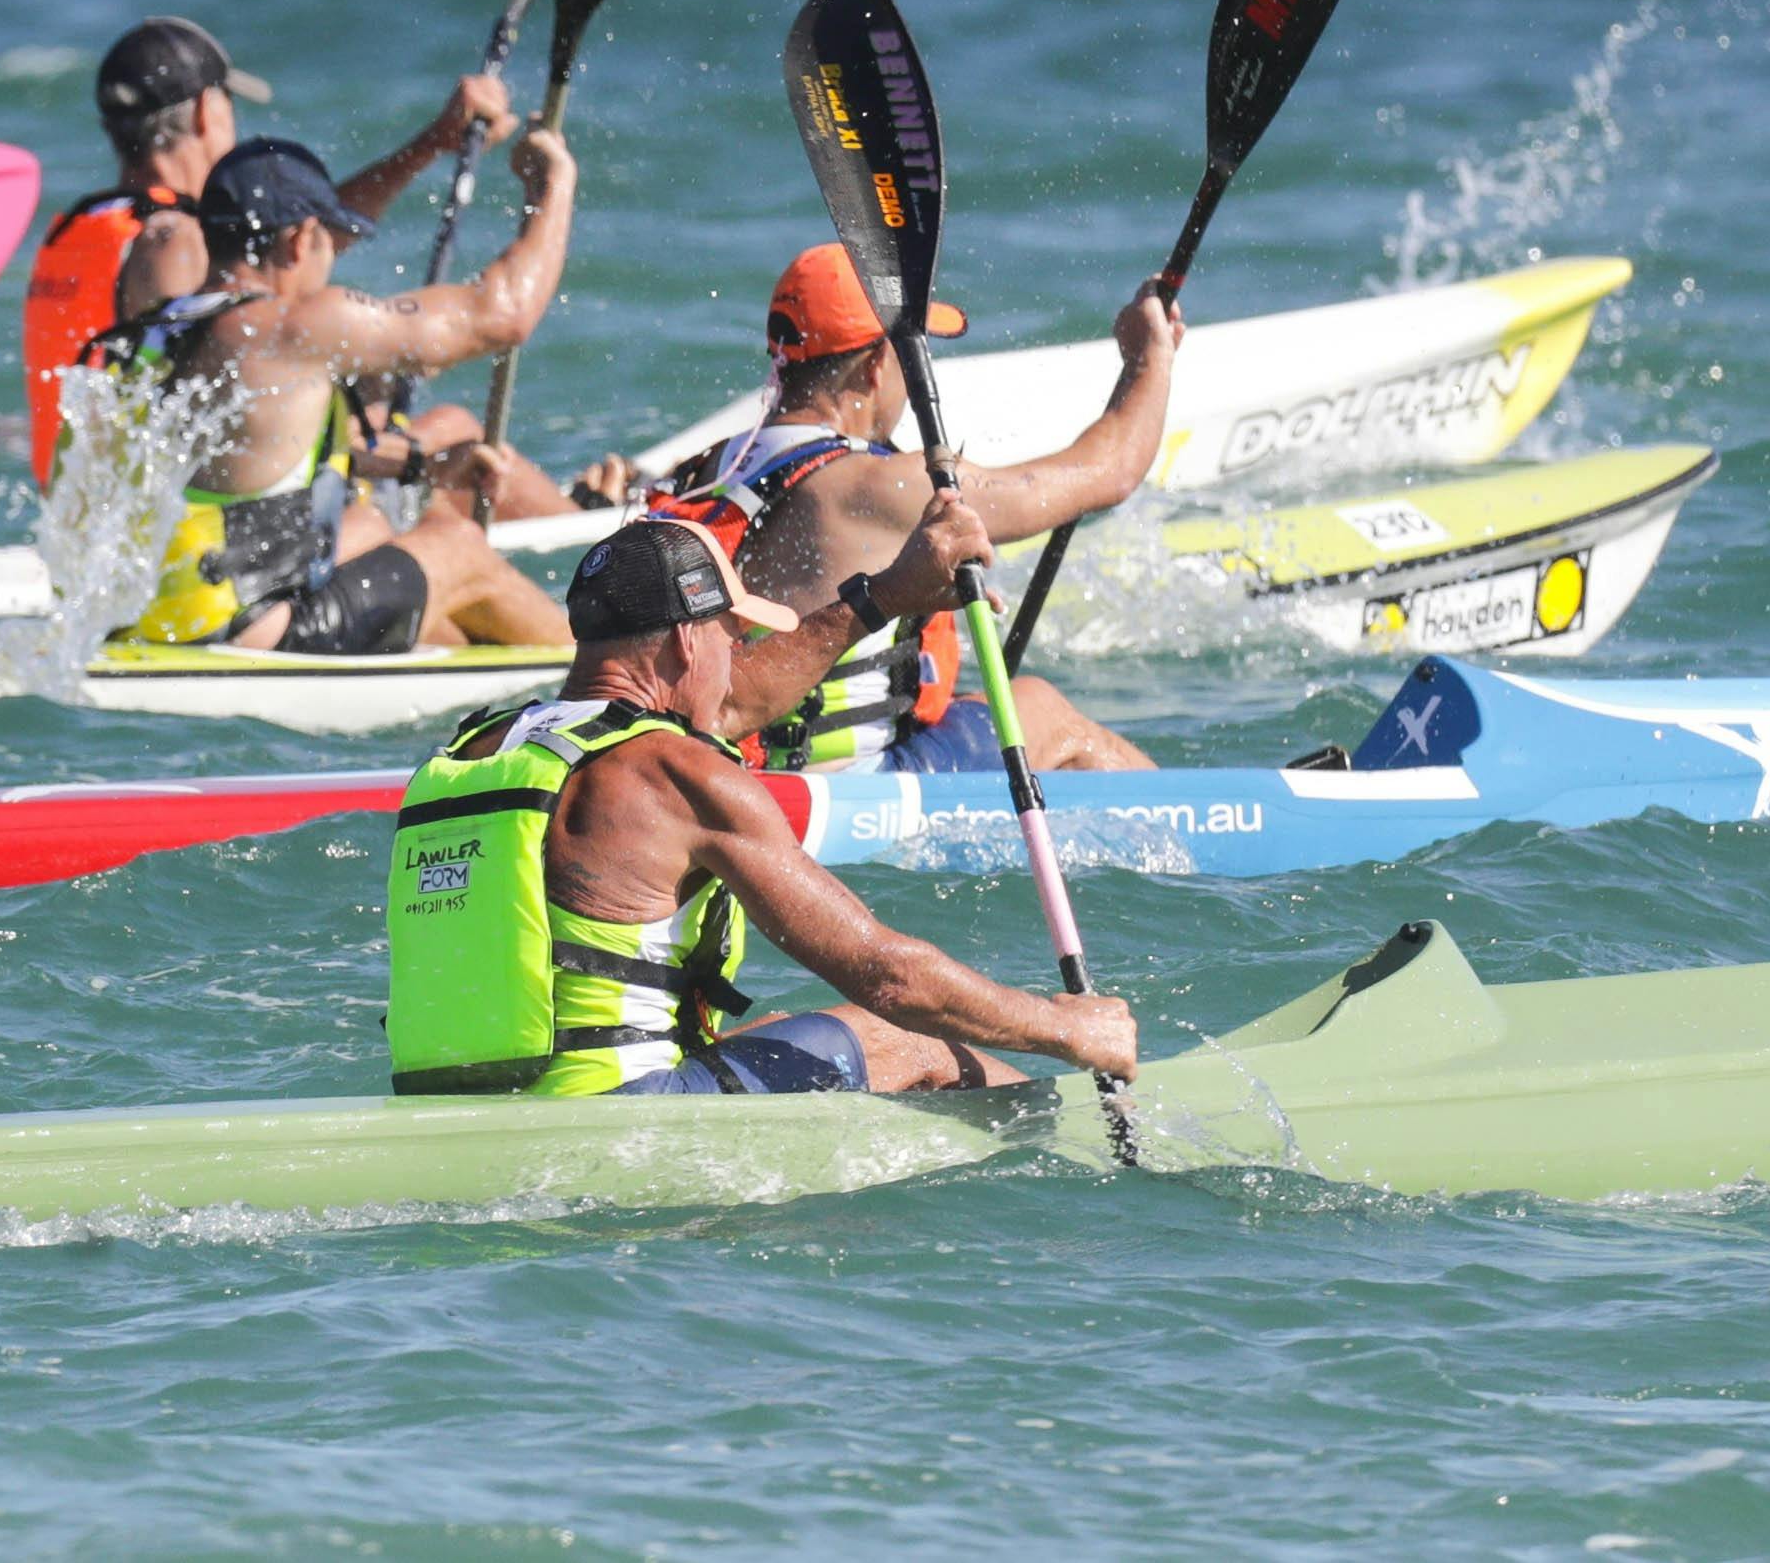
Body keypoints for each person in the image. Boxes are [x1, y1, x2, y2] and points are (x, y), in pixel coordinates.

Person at [388, 514, 1137, 1099]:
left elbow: (726, 706)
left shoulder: (478, 748)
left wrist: (884, 595)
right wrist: (1066, 1028)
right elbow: (888, 976)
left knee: (782, 1032)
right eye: (732, 635)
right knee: (899, 1038)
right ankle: (1067, 1132)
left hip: (476, 1107)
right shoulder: (677, 773)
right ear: (686, 643)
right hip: (622, 1117)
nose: (734, 664)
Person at [605, 242, 1185, 773]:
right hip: (842, 786)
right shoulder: (879, 486)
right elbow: (1107, 473)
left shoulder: (709, 469)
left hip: (719, 767)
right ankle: (1206, 824)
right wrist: (1149, 355)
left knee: (967, 704)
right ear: (876, 366)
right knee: (1043, 710)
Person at [110, 130, 582, 655]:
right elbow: (501, 316)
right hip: (247, 633)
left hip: (151, 618)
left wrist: (419, 468)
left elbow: (240, 462)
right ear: (299, 240)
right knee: (460, 547)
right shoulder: (294, 325)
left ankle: (483, 655)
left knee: (378, 529)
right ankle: (593, 672)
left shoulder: (154, 330)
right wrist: (554, 185)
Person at [15, 15, 515, 481]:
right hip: (183, 528)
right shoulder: (174, 243)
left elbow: (287, 248)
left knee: (373, 391)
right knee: (452, 427)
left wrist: (430, 145)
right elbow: (202, 423)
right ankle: (589, 534)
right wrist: (412, 464)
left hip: (87, 510)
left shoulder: (77, 231)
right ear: (208, 114)